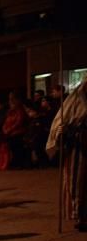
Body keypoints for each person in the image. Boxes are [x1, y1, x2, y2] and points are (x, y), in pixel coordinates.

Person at [46, 80, 87, 231]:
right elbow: (60, 124)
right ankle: (79, 216)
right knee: (76, 183)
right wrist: (63, 132)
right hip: (78, 150)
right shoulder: (74, 103)